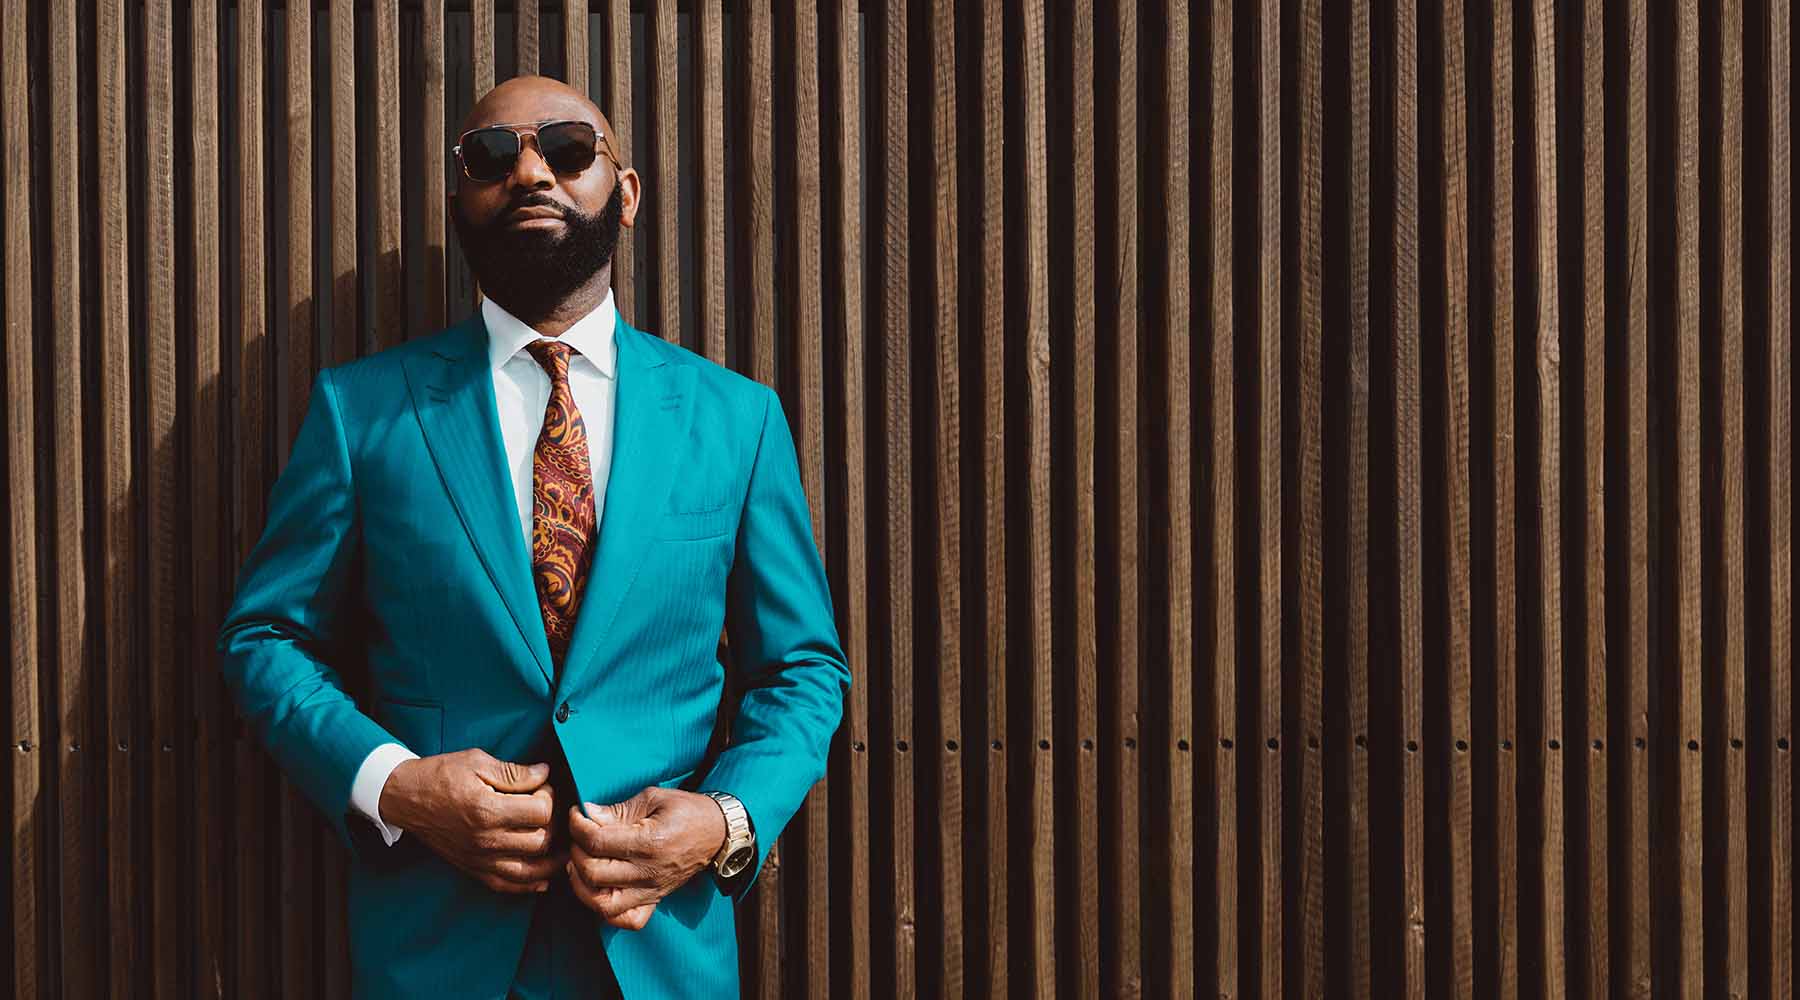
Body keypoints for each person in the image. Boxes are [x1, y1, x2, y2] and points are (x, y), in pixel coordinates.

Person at [216, 75, 849, 999]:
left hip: (659, 953)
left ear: (623, 194)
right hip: (435, 953)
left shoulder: (737, 420)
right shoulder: (361, 413)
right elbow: (266, 639)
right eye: (491, 156)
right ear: (459, 203)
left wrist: (723, 820)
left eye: (566, 149)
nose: (530, 173)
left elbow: (802, 670)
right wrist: (396, 787)